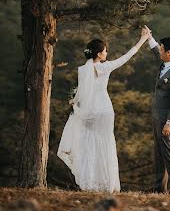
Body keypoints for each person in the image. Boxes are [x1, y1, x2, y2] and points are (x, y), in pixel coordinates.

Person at [57, 28, 150, 193]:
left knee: (88, 145)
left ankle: (90, 181)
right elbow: (126, 57)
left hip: (89, 112)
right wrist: (142, 40)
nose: (107, 54)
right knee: (105, 143)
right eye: (105, 51)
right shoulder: (104, 67)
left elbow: (81, 92)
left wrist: (74, 102)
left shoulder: (83, 69)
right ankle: (107, 183)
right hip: (104, 110)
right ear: (99, 54)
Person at [146, 26, 170, 193]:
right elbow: (157, 52)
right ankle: (159, 188)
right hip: (158, 115)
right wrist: (149, 37)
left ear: (168, 52)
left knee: (168, 153)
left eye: (162, 50)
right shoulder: (166, 61)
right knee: (159, 153)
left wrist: (169, 123)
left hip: (168, 118)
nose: (159, 52)